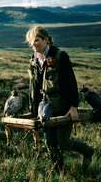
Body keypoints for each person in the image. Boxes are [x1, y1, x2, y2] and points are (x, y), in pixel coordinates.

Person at [26, 26, 94, 171]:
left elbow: (71, 82)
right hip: (45, 110)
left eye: (36, 40)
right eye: (31, 42)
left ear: (46, 39)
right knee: (50, 144)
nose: (33, 44)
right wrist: (33, 110)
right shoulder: (33, 60)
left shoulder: (60, 55)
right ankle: (59, 174)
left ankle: (87, 151)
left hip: (63, 107)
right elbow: (34, 88)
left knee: (63, 143)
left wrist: (74, 107)